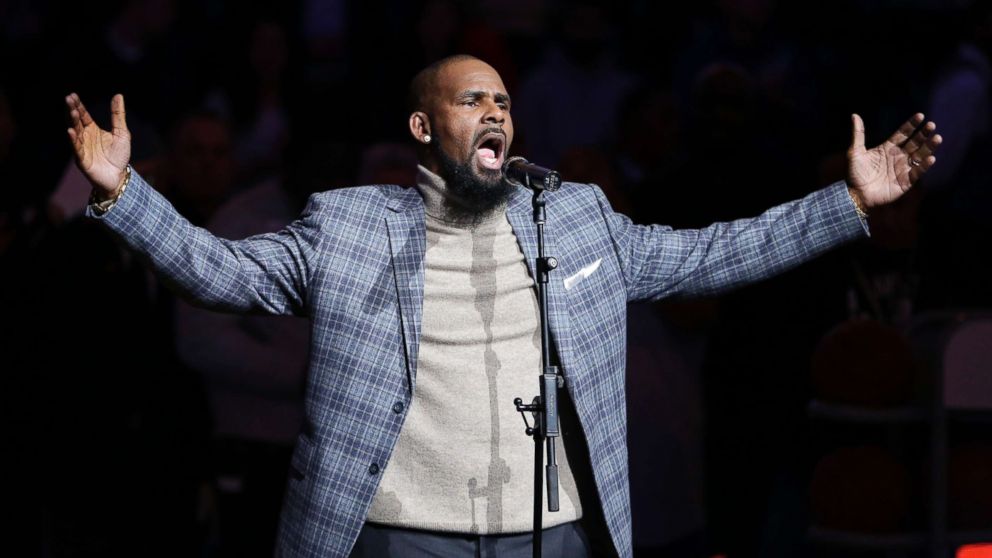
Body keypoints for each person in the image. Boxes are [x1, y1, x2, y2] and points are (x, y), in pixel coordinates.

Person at [65, 55, 941, 558]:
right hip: (399, 540)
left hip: (547, 538)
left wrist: (850, 203)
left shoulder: (579, 219)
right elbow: (219, 274)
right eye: (472, 97)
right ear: (422, 128)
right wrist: (123, 193)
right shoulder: (347, 226)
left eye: (505, 101)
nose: (496, 110)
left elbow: (716, 252)